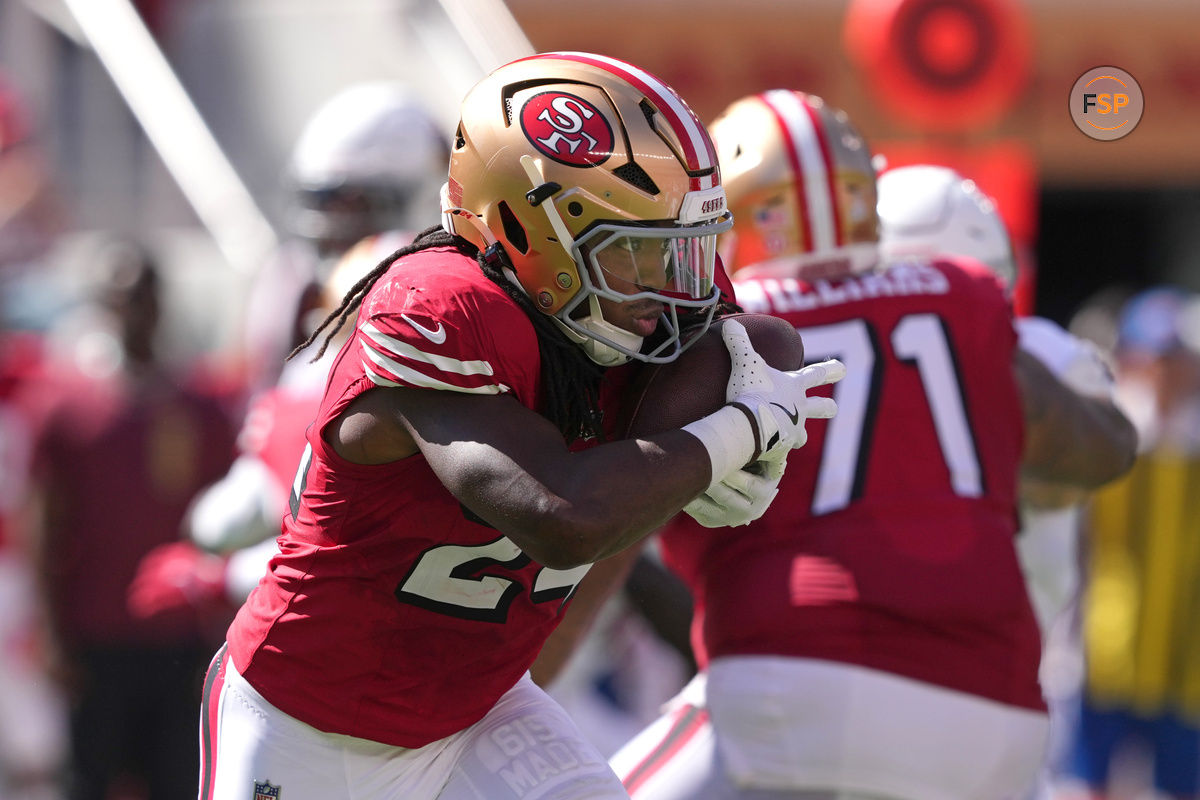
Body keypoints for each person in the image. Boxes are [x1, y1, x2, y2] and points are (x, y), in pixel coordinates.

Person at [199, 53, 845, 800]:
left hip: (479, 710)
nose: (677, 285)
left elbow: (756, 342)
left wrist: (731, 445)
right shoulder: (437, 307)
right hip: (309, 719)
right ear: (528, 229)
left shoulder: (652, 297)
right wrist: (731, 436)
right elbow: (563, 515)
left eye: (686, 247)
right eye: (640, 250)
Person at [606, 89, 1137, 800]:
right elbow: (1105, 451)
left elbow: (600, 518)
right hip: (1000, 709)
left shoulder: (725, 328)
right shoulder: (964, 293)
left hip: (798, 673)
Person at [28, 239, 238, 800]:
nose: (135, 309)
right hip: (95, 634)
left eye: (144, 295)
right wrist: (51, 636)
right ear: (104, 304)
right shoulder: (66, 404)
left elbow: (225, 528)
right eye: (123, 297)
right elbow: (46, 527)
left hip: (177, 635)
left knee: (178, 780)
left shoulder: (200, 407)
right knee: (89, 779)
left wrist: (222, 631)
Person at [1056, 286, 1200, 800]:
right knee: (1088, 781)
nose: (1164, 371)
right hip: (1105, 653)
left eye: (1175, 359)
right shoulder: (1106, 439)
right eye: (1153, 357)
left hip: (1186, 663)